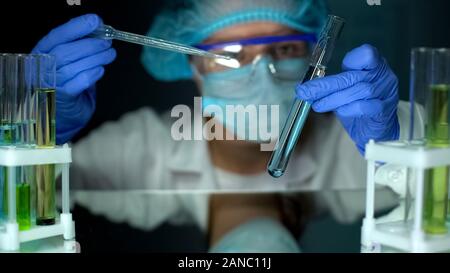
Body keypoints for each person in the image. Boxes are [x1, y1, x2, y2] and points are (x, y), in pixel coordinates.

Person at [31, 0, 417, 251]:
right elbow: (24, 197)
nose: (262, 76)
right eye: (230, 54)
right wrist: (40, 130)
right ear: (194, 68)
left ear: (312, 53)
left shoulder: (361, 136)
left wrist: (398, 141)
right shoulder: (140, 148)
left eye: (284, 49)